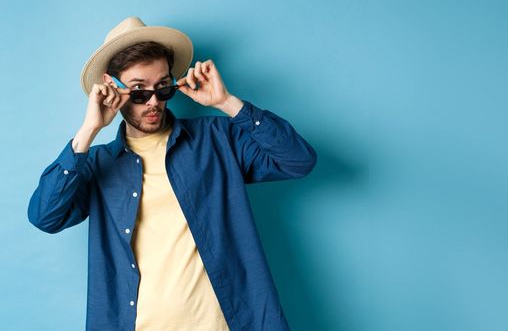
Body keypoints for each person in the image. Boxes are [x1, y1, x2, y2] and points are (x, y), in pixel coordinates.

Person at [27, 16, 316, 331]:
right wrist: (89, 130)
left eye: (163, 88)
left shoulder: (218, 139)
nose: (153, 102)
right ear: (113, 87)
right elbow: (46, 217)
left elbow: (298, 160)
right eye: (139, 91)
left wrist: (228, 103)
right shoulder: (96, 164)